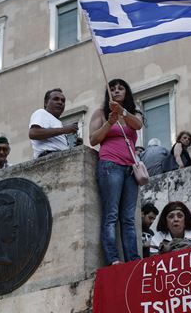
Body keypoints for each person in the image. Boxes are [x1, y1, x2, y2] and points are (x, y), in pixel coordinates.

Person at [89, 78, 144, 265]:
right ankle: (113, 259)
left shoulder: (133, 113)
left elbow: (138, 124)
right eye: (112, 88)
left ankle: (132, 259)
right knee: (111, 214)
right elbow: (93, 139)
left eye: (121, 88)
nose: (117, 91)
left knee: (128, 217)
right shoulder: (100, 113)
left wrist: (122, 112)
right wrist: (109, 122)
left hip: (130, 168)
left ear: (127, 92)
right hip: (110, 164)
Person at [28, 88, 80, 159]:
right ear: (46, 103)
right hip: (48, 157)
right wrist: (64, 130)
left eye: (63, 100)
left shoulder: (58, 122)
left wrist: (76, 147)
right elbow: (33, 133)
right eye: (56, 99)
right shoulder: (42, 113)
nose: (60, 102)